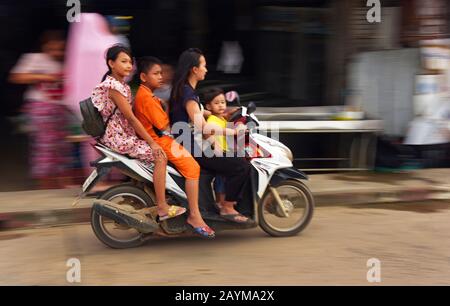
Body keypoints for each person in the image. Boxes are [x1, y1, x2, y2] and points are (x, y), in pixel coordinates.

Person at [91, 44, 185, 221]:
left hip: (123, 135)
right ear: (111, 63)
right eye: (123, 61)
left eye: (129, 62)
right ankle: (163, 207)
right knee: (160, 156)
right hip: (119, 138)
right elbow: (132, 118)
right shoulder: (113, 86)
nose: (128, 66)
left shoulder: (122, 85)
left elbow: (132, 111)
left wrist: (155, 101)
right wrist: (152, 143)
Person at [133, 56, 214, 238]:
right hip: (161, 141)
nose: (161, 77)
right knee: (193, 168)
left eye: (161, 73)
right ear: (144, 77)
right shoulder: (145, 98)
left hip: (162, 139)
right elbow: (164, 126)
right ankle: (195, 215)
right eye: (156, 74)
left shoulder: (148, 95)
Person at [169, 48, 252, 224]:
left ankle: (215, 204)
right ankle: (227, 207)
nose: (206, 69)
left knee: (228, 160)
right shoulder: (188, 95)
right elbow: (202, 127)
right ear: (194, 69)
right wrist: (233, 131)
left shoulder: (186, 91)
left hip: (190, 143)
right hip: (191, 146)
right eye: (204, 65)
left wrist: (228, 113)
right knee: (241, 166)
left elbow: (200, 113)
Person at [9, 30, 70, 189]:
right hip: (41, 107)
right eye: (52, 49)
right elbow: (16, 76)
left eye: (60, 49)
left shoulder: (67, 61)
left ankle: (59, 183)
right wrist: (45, 77)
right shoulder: (34, 58)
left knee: (61, 147)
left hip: (61, 109)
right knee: (45, 147)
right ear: (44, 47)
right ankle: (45, 186)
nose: (56, 52)